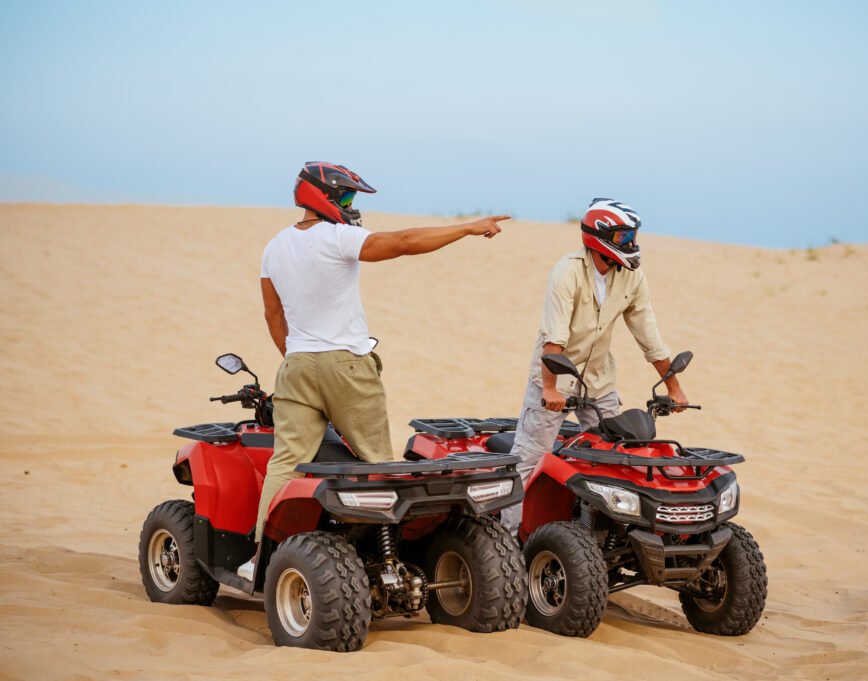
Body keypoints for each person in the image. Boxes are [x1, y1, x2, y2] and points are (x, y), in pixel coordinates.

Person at [239, 161, 508, 580]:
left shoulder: (274, 247)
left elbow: (273, 315)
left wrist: (296, 357)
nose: (349, 205)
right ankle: (385, 565)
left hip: (295, 364)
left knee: (286, 463)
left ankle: (261, 558)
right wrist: (466, 228)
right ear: (319, 196)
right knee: (378, 465)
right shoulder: (338, 237)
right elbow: (402, 242)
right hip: (346, 363)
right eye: (344, 196)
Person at [500, 197, 688, 533]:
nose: (631, 245)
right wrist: (549, 388)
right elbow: (553, 336)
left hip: (600, 382)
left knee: (619, 458)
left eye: (633, 237)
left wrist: (672, 385)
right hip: (554, 379)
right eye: (623, 238)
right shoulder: (567, 272)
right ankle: (509, 541)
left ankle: (606, 536)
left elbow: (649, 334)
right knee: (530, 459)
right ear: (598, 238)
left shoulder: (632, 277)